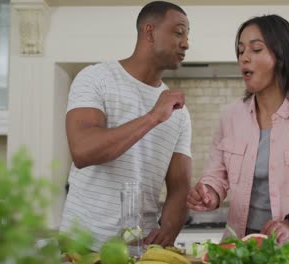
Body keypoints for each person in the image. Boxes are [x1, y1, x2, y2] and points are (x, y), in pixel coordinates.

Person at [187, 14, 289, 248]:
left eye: (256, 49)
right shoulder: (230, 117)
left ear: (281, 55)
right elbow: (216, 179)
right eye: (241, 51)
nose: (244, 58)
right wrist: (208, 194)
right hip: (237, 251)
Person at [59, 1, 192, 251]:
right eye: (178, 32)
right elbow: (83, 151)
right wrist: (153, 116)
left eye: (187, 35)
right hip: (82, 246)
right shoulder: (96, 78)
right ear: (150, 32)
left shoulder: (179, 113)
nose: (186, 43)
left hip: (139, 251)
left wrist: (167, 232)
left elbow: (180, 186)